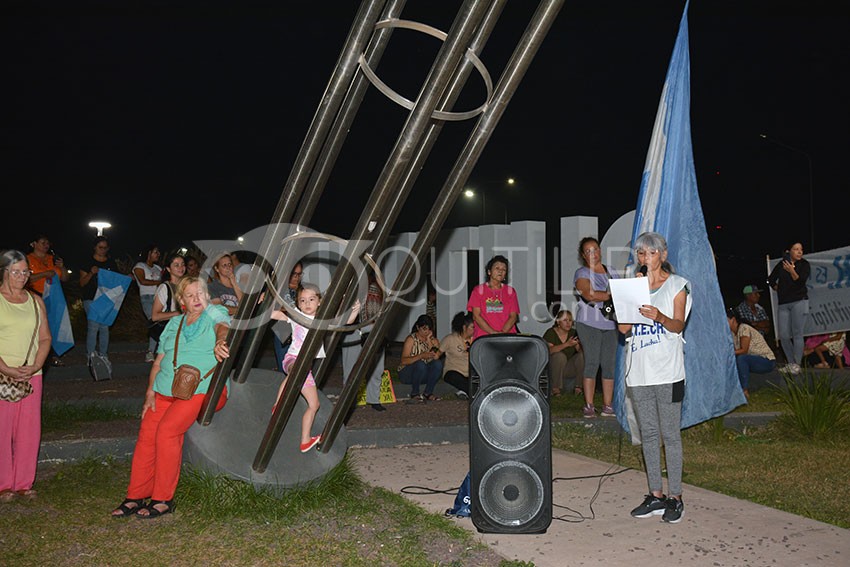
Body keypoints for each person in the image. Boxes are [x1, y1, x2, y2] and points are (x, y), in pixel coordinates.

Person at [110, 276, 230, 519]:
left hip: (202, 389)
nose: (197, 299)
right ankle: (136, 495)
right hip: (165, 389)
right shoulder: (174, 324)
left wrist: (220, 341)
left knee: (167, 432)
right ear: (181, 300)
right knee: (146, 435)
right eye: (190, 295)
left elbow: (222, 326)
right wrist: (149, 393)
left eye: (201, 293)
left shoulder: (215, 313)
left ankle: (163, 499)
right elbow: (159, 362)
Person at [618, 232, 690, 524]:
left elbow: (678, 324)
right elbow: (623, 329)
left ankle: (676, 497)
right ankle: (655, 495)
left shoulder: (677, 284)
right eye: (640, 253)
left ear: (663, 254)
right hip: (639, 373)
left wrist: (659, 316)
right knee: (648, 435)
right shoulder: (632, 287)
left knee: (670, 435)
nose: (644, 258)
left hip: (668, 372)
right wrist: (632, 297)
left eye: (649, 253)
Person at [270, 282, 360, 452]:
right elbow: (277, 315)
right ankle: (278, 404)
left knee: (314, 404)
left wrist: (354, 309)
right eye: (302, 300)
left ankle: (305, 440)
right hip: (293, 358)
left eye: (311, 299)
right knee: (295, 371)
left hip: (306, 369)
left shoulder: (323, 320)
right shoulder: (296, 315)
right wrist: (265, 304)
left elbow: (346, 321)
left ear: (319, 301)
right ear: (298, 304)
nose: (307, 303)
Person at [0, 250, 51, 502]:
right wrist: (5, 368)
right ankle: (3, 484)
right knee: (2, 429)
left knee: (29, 430)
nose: (21, 276)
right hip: (2, 374)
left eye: (25, 271)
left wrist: (35, 366)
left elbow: (45, 337)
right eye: (15, 271)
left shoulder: (35, 301)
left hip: (32, 374)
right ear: (4, 271)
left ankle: (23, 482)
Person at [573, 236, 619, 418]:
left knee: (609, 364)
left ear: (600, 250)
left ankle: (608, 406)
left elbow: (622, 295)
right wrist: (610, 294)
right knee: (592, 362)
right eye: (588, 251)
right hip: (588, 322)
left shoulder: (612, 272)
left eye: (596, 249)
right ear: (583, 256)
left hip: (611, 323)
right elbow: (588, 294)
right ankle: (589, 405)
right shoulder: (582, 273)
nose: (593, 254)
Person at [26, 234, 69, 367]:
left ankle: (52, 355)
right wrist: (44, 274)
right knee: (37, 327)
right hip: (35, 296)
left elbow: (65, 279)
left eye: (47, 243)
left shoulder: (52, 259)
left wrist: (62, 267)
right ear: (34, 244)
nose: (46, 245)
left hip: (53, 298)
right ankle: (34, 356)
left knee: (53, 326)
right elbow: (26, 278)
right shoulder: (27, 259)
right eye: (43, 242)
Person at [767, 242, 810, 374]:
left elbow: (800, 281)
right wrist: (776, 288)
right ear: (788, 251)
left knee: (797, 333)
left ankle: (797, 364)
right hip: (783, 303)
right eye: (796, 249)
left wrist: (792, 271)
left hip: (799, 301)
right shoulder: (781, 264)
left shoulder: (804, 264)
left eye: (801, 249)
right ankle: (791, 363)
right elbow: (770, 280)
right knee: (784, 335)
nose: (799, 252)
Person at [79, 236, 118, 361]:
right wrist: (91, 273)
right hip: (90, 298)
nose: (103, 250)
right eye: (100, 247)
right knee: (93, 326)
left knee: (104, 327)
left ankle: (103, 354)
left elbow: (115, 281)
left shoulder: (111, 263)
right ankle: (91, 354)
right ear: (94, 247)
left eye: (105, 248)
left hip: (106, 299)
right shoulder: (87, 262)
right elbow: (82, 283)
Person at [467, 255, 519, 341]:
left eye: (504, 269)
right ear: (489, 272)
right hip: (484, 337)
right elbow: (476, 316)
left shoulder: (510, 291)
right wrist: (493, 333)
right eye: (497, 268)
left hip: (506, 337)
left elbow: (513, 316)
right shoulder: (478, 290)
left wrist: (502, 333)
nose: (500, 271)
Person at [726, 308, 775, 399]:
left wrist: (728, 353)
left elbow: (744, 350)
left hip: (766, 360)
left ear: (733, 320)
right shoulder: (732, 333)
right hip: (753, 360)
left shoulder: (744, 328)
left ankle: (744, 390)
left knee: (741, 358)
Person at [398, 314, 443, 403]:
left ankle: (428, 393)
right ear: (418, 327)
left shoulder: (434, 340)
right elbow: (403, 361)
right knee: (420, 364)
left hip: (425, 373)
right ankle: (415, 393)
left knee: (437, 364)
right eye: (424, 329)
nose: (426, 332)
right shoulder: (411, 339)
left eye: (429, 329)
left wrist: (429, 340)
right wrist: (421, 356)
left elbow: (437, 356)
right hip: (408, 373)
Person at [148, 253, 185, 354]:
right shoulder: (164, 288)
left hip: (184, 332)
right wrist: (177, 313)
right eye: (176, 265)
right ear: (168, 269)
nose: (181, 268)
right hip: (170, 334)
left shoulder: (187, 286)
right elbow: (155, 316)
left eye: (182, 264)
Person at [542, 309, 584, 398]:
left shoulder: (573, 333)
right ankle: (555, 389)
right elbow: (549, 351)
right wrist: (567, 344)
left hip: (567, 368)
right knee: (559, 356)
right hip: (554, 367)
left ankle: (578, 387)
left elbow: (581, 352)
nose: (568, 323)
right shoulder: (551, 333)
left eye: (570, 320)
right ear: (558, 322)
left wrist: (578, 346)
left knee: (581, 357)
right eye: (565, 320)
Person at [133, 245, 163, 362]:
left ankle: (156, 351)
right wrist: (159, 282)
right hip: (147, 297)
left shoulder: (158, 268)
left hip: (159, 298)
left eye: (158, 252)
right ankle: (151, 352)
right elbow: (143, 281)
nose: (158, 254)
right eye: (156, 252)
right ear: (149, 253)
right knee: (155, 322)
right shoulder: (140, 266)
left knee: (159, 324)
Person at [272, 261, 303, 373]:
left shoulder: (303, 290)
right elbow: (273, 309)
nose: (296, 278)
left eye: (299, 274)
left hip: (300, 333)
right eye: (294, 274)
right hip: (284, 332)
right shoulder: (279, 288)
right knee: (285, 366)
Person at [440, 311, 474, 399]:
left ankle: (465, 391)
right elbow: (437, 353)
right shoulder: (450, 339)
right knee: (455, 377)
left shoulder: (476, 340)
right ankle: (472, 392)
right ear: (464, 327)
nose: (475, 330)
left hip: (470, 374)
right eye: (472, 327)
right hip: (454, 371)